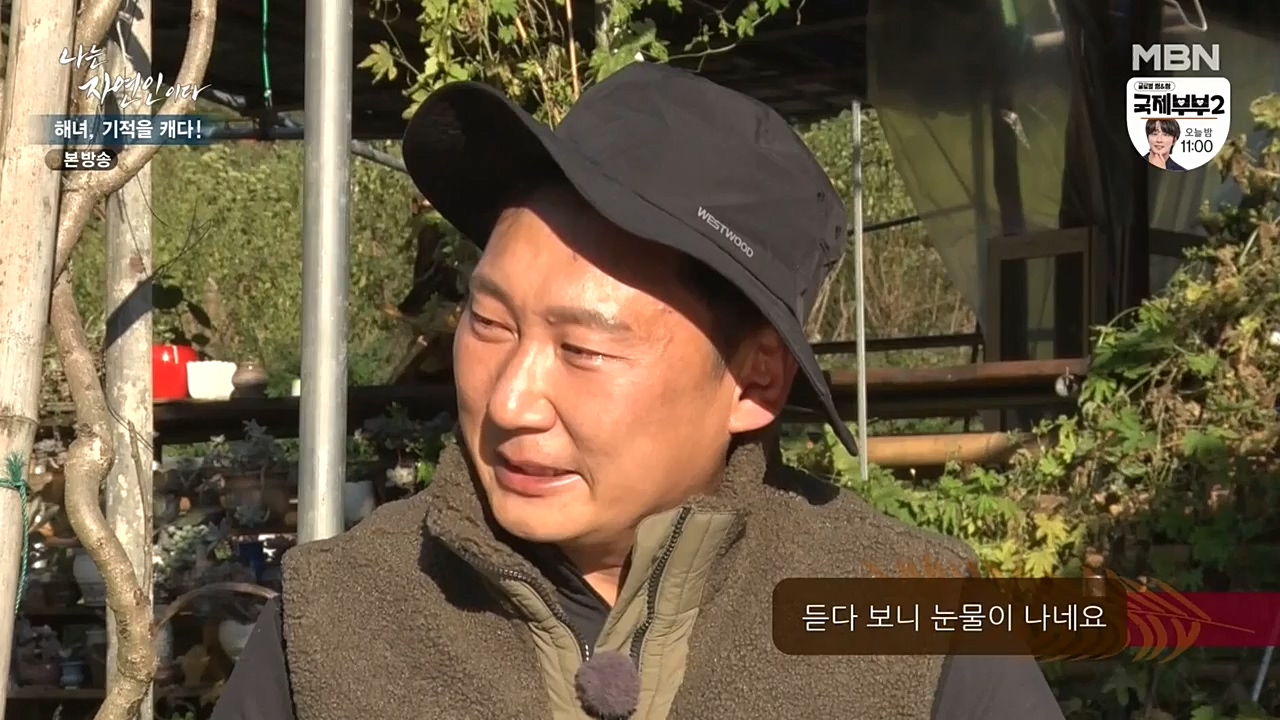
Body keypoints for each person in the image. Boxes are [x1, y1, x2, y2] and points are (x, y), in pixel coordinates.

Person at [210, 63, 1064, 720]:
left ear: (754, 381)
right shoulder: (332, 624)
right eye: (490, 323)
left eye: (583, 348)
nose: (510, 402)